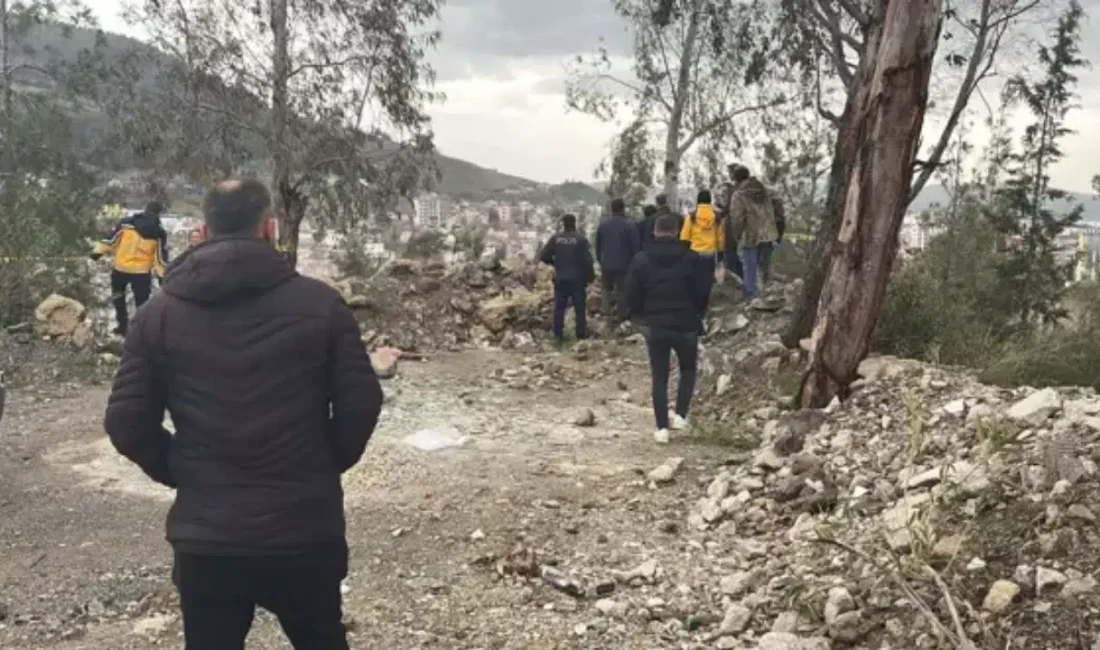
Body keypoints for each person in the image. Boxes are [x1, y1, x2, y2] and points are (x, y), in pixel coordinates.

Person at [103, 179, 382, 650]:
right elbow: (362, 402)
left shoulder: (157, 316)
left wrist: (182, 470)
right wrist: (321, 464)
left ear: (202, 231)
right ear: (269, 228)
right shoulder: (321, 305)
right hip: (304, 532)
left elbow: (126, 423)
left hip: (207, 539)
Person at [625, 213, 707, 444]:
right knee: (688, 369)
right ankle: (681, 415)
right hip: (686, 324)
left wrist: (640, 317)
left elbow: (631, 293)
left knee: (659, 376)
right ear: (677, 232)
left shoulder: (641, 259)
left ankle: (661, 428)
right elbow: (703, 291)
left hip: (656, 325)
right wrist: (698, 313)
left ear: (654, 232)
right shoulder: (692, 258)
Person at [91, 201, 169, 336]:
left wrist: (96, 253)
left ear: (145, 209)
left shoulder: (126, 224)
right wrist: (162, 277)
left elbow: (111, 241)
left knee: (118, 297)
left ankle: (122, 327)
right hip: (141, 274)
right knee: (142, 304)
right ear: (158, 214)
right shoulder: (159, 233)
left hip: (120, 270)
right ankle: (139, 332)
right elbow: (159, 258)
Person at [726, 165, 781, 300]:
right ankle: (766, 298)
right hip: (769, 234)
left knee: (750, 269)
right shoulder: (765, 191)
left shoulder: (739, 195)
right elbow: (777, 209)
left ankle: (752, 299)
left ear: (736, 180)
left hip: (750, 236)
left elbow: (737, 218)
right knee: (763, 269)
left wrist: (737, 235)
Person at [540, 213, 595, 341]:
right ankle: (580, 335)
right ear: (574, 224)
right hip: (577, 279)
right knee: (579, 308)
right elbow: (587, 261)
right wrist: (590, 277)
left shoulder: (556, 238)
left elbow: (544, 256)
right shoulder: (581, 239)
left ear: (563, 224)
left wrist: (555, 263)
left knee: (559, 308)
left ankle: (558, 335)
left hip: (561, 278)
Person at [679, 190, 724, 334]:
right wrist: (720, 255)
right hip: (709, 256)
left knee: (693, 286)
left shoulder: (692, 216)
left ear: (698, 200)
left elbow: (684, 237)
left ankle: (693, 316)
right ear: (710, 200)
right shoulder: (717, 217)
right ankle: (702, 315)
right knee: (706, 286)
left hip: (694, 255)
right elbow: (720, 238)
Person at [595, 198, 642, 328]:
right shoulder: (630, 225)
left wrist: (601, 260)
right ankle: (621, 317)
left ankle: (607, 317)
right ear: (623, 208)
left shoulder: (603, 225)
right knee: (622, 291)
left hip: (607, 264)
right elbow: (636, 247)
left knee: (606, 290)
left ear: (611, 209)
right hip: (625, 265)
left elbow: (598, 246)